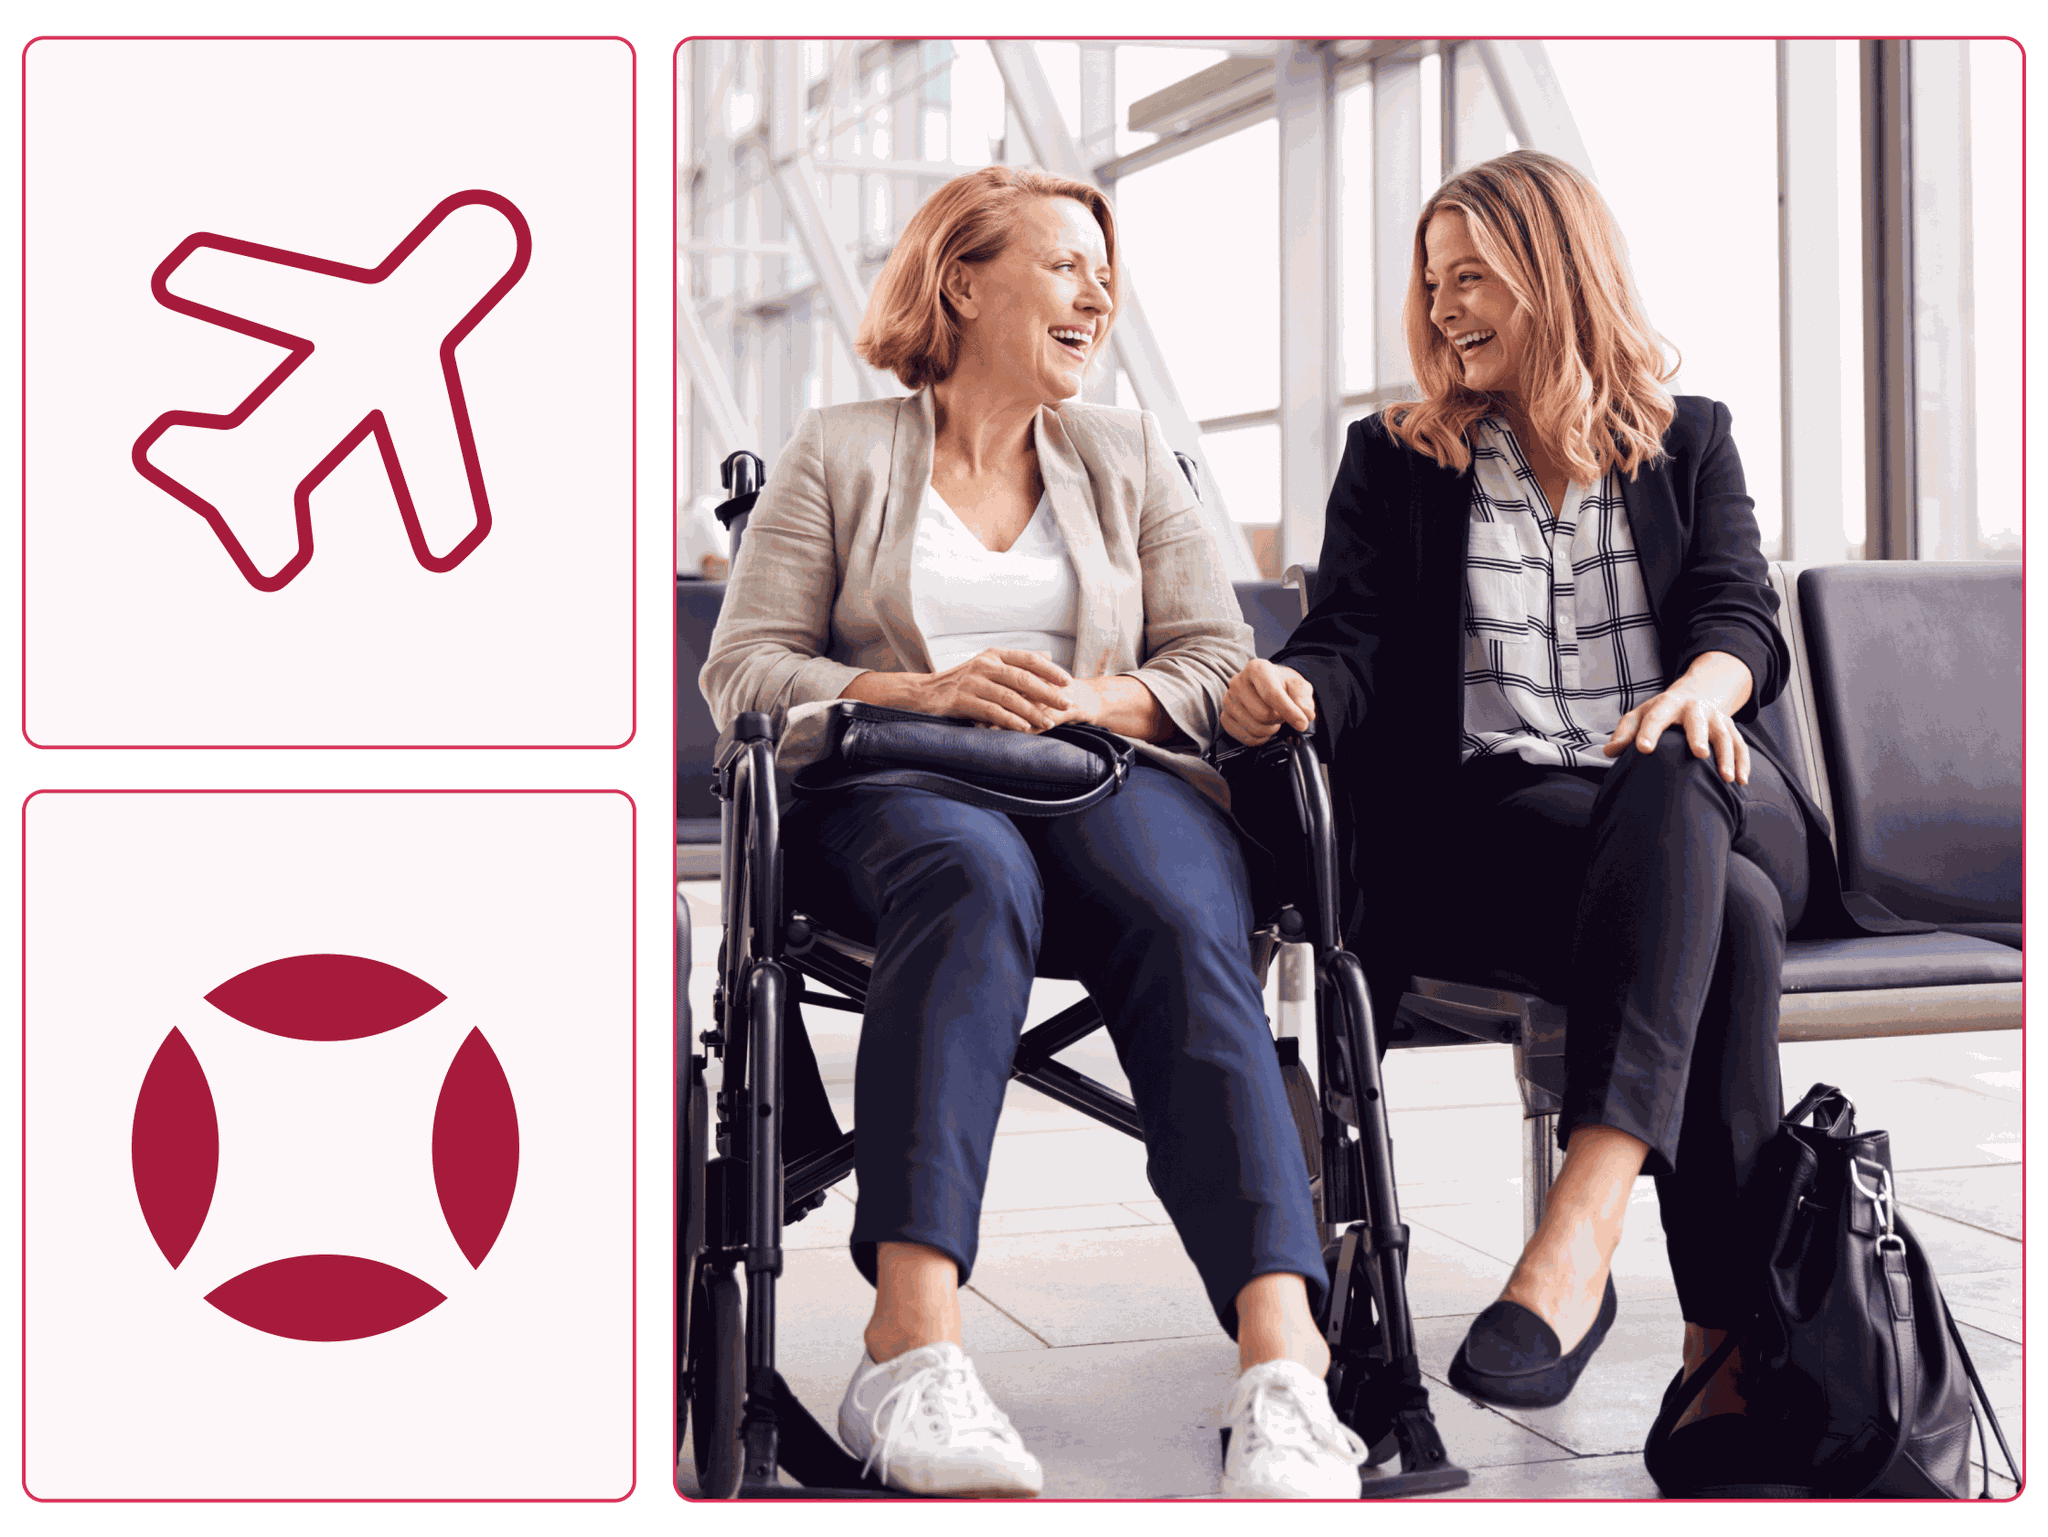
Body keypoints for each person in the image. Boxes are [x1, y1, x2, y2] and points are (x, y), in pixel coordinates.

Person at [1221, 150, 1924, 1494]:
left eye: (1471, 276)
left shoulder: (1691, 437)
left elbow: (1738, 612)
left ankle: (1581, 1226)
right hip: (1504, 830)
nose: (1442, 311)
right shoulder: (1395, 459)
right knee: (1728, 922)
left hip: (1707, 783)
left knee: (1671, 759)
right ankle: (1718, 1360)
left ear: (1557, 273)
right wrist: (1296, 689)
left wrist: (1705, 687)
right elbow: (1352, 641)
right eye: (1430, 286)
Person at [701, 165, 1365, 1499]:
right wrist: (910, 688)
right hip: (904, 788)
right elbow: (743, 676)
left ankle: (1285, 1370)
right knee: (969, 872)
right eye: (1065, 263)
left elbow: (1208, 656)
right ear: (961, 280)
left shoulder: (1129, 457)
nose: (1097, 290)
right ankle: (912, 1346)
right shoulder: (839, 449)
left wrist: (1106, 697)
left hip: (1106, 776)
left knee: (1192, 912)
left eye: (1103, 270)